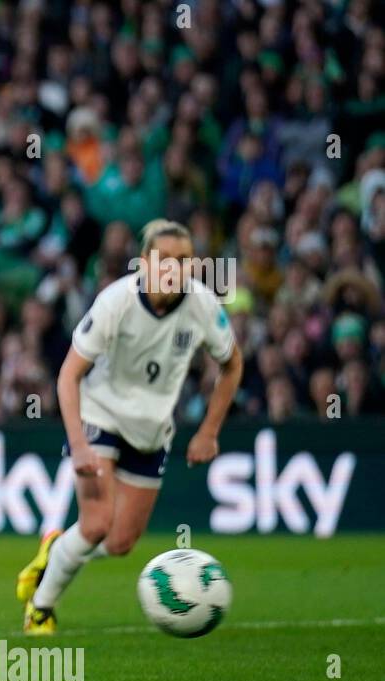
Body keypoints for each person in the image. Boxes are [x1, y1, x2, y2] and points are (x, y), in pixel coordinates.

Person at [16, 219, 243, 634]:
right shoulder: (114, 302)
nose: (176, 268)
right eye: (165, 260)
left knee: (119, 543)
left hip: (152, 430)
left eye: (184, 260)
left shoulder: (204, 306)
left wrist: (209, 430)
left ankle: (57, 548)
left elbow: (232, 364)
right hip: (99, 416)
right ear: (144, 264)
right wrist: (79, 443)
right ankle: (41, 609)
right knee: (96, 523)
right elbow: (68, 376)